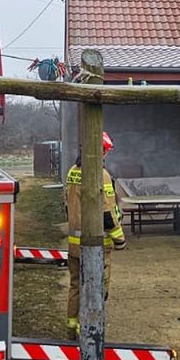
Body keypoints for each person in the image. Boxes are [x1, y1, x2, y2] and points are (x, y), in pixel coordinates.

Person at [63, 131, 126, 340]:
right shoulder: (101, 174)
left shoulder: (72, 171)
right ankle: (89, 333)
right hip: (96, 245)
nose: (106, 155)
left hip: (73, 244)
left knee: (75, 286)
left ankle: (72, 329)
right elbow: (107, 212)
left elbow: (66, 204)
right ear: (100, 152)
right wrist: (119, 239)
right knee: (96, 289)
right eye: (105, 151)